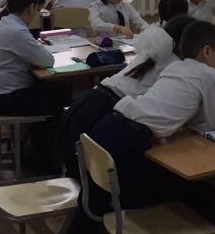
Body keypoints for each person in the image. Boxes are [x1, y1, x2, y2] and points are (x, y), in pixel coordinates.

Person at [57, 20, 215, 234]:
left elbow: (184, 113)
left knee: (90, 209)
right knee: (184, 189)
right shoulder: (210, 75)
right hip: (128, 142)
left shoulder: (176, 67)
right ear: (206, 51)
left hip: (108, 128)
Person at [54, 15, 193, 179]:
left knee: (80, 168)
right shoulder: (176, 66)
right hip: (104, 111)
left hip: (91, 99)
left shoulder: (154, 52)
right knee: (90, 171)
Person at [0, 0, 63, 172]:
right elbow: (48, 60)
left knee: (51, 92)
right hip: (8, 99)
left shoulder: (5, 22)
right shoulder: (17, 31)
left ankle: (32, 149)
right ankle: (44, 160)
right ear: (31, 7)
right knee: (60, 102)